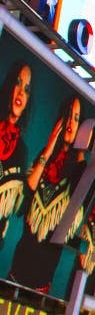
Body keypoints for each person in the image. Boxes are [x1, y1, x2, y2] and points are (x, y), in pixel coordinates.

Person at [8, 96, 86, 292]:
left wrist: (81, 149)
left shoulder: (80, 169)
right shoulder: (44, 156)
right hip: (17, 269)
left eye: (76, 119)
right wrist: (50, 147)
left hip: (42, 280)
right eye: (68, 115)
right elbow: (25, 198)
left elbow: (81, 194)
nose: (70, 123)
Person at [0, 61, 33, 212]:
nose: (21, 93)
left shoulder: (21, 150)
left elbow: (18, 210)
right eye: (18, 83)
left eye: (26, 89)